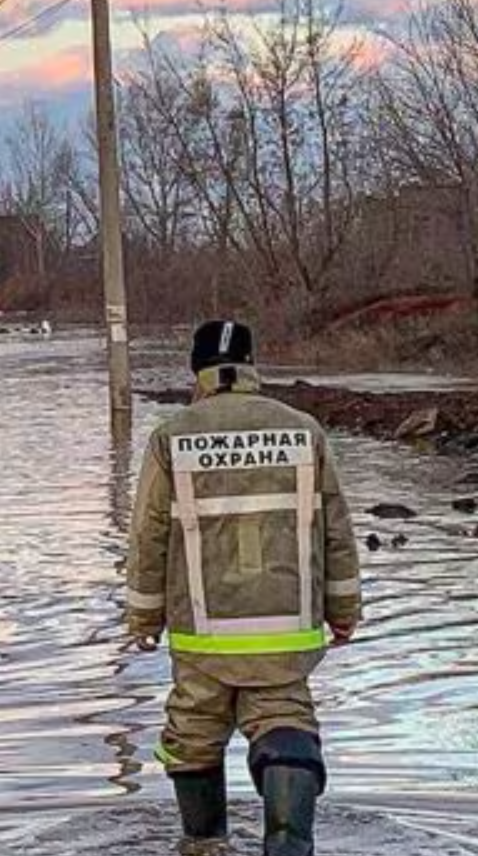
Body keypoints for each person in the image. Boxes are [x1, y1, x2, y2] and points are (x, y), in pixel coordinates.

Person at [126, 320, 362, 856]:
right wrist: (344, 609)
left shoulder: (172, 437)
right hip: (286, 628)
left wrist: (143, 618)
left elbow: (148, 536)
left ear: (197, 371)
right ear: (254, 366)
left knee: (193, 736)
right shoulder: (304, 432)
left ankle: (205, 844)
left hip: (203, 635)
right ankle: (288, 845)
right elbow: (337, 530)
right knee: (286, 722)